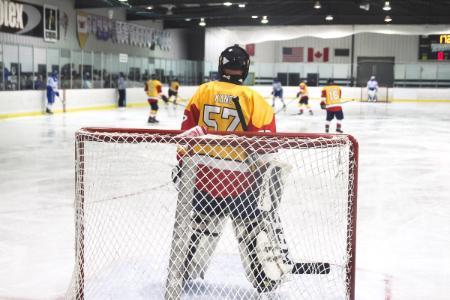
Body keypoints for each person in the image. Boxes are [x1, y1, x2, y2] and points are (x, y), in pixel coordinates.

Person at [167, 45, 294, 297]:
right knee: (253, 232)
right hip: (241, 186)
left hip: (202, 181)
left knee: (200, 228)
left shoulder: (202, 92)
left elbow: (185, 140)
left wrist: (182, 169)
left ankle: (183, 272)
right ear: (245, 69)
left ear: (220, 66)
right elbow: (266, 152)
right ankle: (266, 280)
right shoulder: (254, 100)